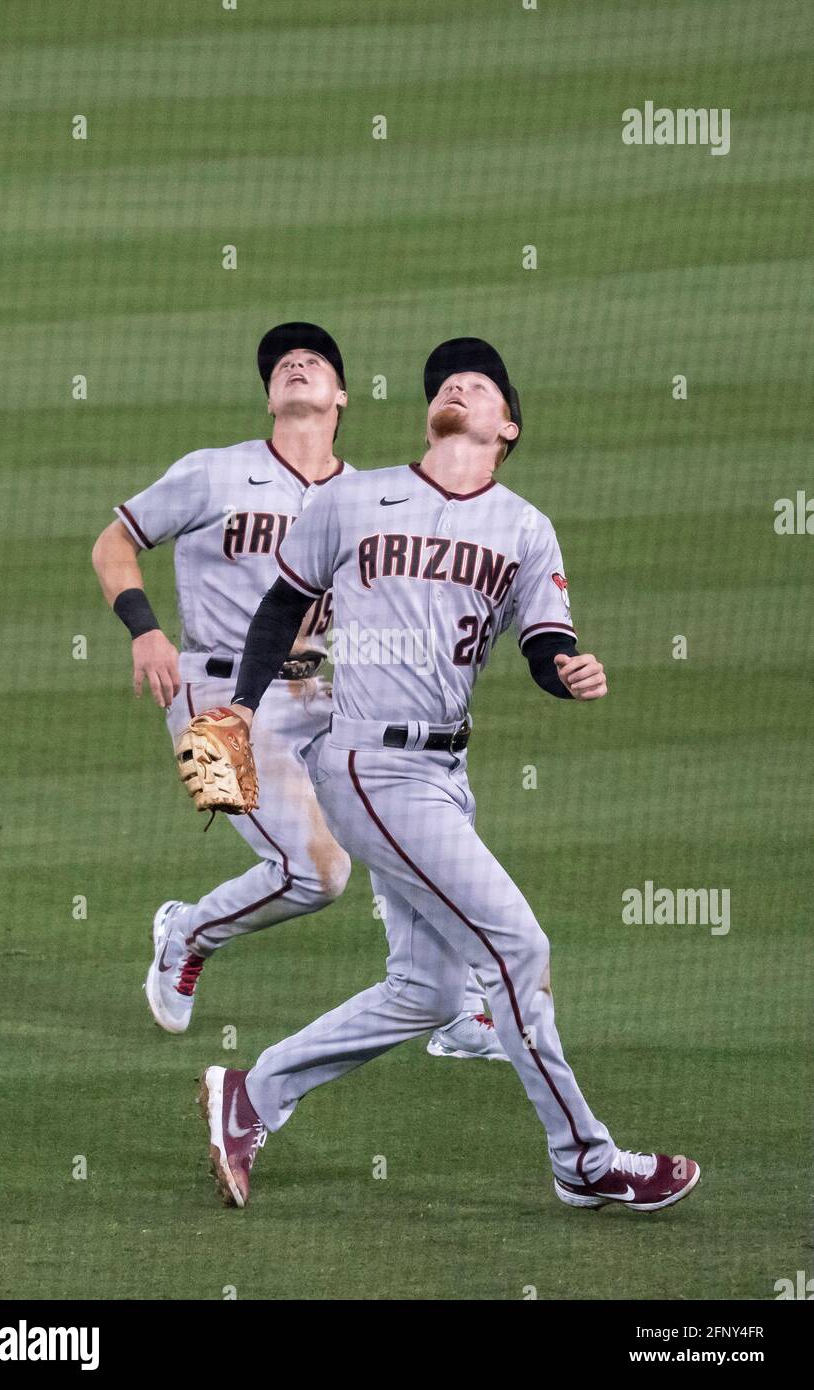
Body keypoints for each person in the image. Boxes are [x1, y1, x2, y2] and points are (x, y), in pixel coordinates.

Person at [199, 337, 701, 1216]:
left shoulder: (525, 528)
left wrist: (569, 671)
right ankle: (584, 1159)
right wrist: (239, 709)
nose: (459, 384)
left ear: (508, 424)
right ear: (430, 413)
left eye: (481, 383)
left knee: (429, 991)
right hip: (364, 764)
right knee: (519, 949)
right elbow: (282, 605)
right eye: (446, 382)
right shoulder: (351, 498)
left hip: (442, 774)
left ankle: (253, 1094)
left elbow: (546, 642)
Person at [92, 323, 504, 1061]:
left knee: (409, 821)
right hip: (211, 704)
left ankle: (461, 1004)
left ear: (342, 395)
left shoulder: (370, 497)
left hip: (325, 698)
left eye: (315, 359)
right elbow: (113, 543)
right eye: (282, 362)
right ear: (270, 396)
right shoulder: (213, 472)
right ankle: (187, 931)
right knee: (316, 873)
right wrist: (144, 630)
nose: (297, 362)